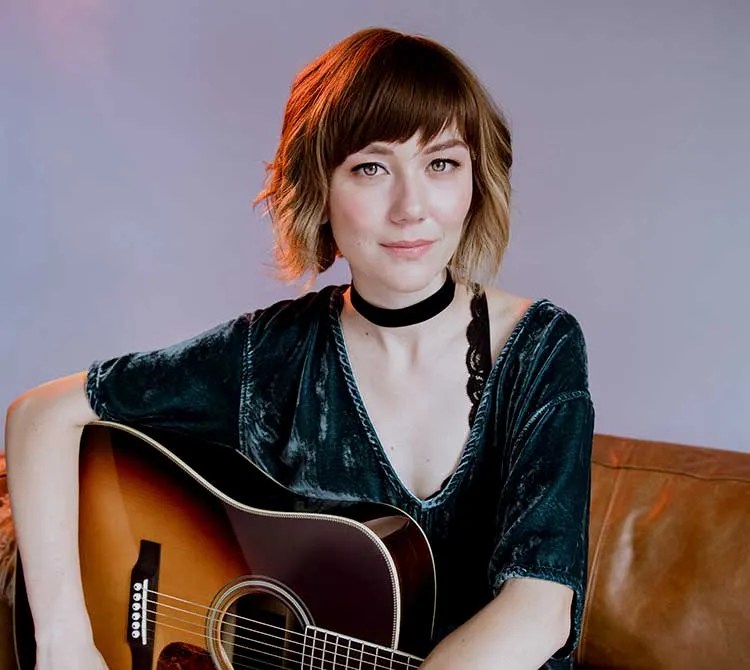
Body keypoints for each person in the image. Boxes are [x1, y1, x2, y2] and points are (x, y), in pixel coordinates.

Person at [5, 27, 594, 670]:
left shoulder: (540, 347)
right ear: (320, 185)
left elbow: (538, 607)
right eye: (371, 167)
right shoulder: (274, 354)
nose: (412, 207)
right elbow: (41, 415)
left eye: (442, 164)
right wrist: (64, 642)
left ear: (475, 181)